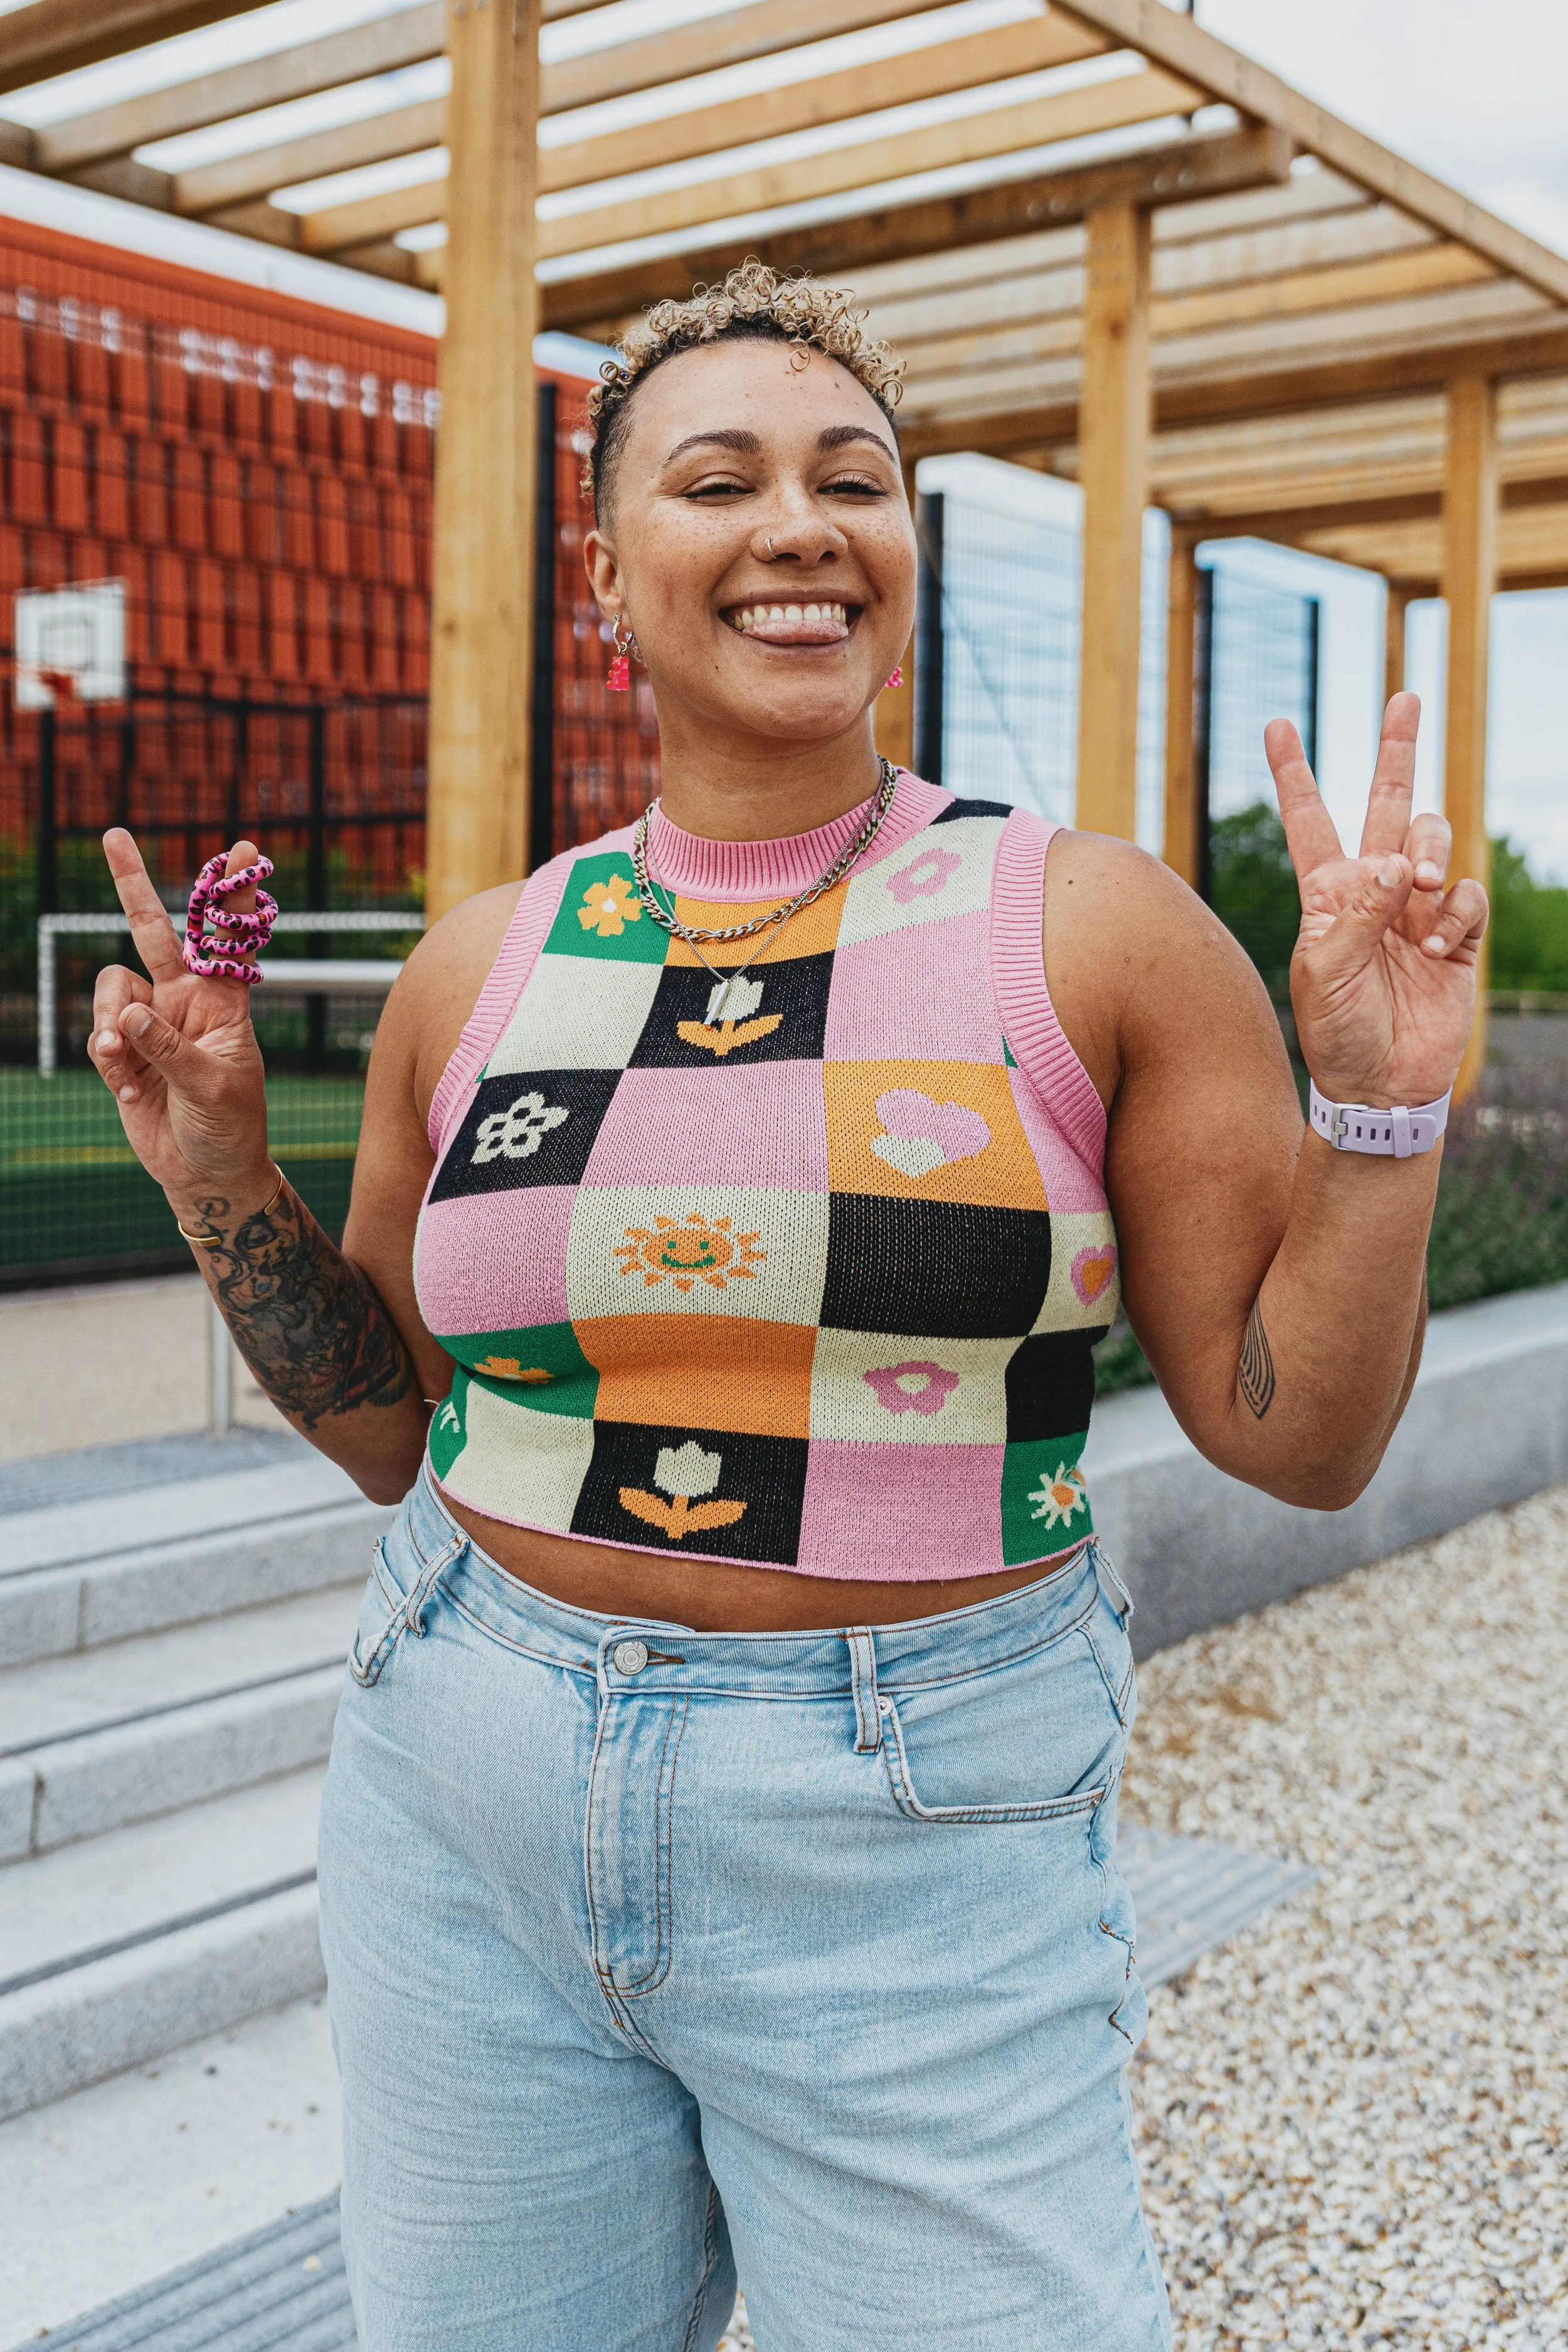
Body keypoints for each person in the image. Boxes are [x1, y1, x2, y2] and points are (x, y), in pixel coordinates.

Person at [89, 261, 1485, 2352]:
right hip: (460, 1788)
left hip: (915, 1832)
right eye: (716, 478)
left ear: (903, 544)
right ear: (606, 573)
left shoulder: (1088, 927)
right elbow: (396, 1421)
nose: (796, 526)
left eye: (855, 477)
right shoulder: (483, 967)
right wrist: (219, 1176)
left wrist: (1380, 1112)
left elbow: (1297, 1438)